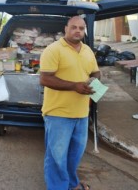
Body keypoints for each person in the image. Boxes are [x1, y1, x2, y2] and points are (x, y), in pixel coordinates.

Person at [40, 16, 100, 190]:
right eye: (74, 27)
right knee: (56, 157)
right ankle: (58, 187)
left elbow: (96, 72)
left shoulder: (88, 50)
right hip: (58, 114)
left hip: (81, 113)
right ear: (66, 28)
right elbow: (44, 79)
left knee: (74, 155)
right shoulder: (53, 50)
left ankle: (72, 184)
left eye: (81, 28)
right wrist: (74, 86)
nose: (78, 31)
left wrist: (93, 83)